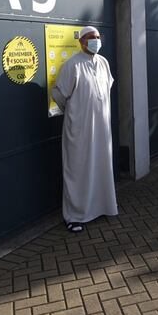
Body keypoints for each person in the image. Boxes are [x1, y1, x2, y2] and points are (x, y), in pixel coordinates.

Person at [52, 26, 117, 233]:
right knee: (77, 170)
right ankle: (74, 216)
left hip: (101, 129)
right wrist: (76, 113)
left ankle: (102, 207)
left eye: (98, 37)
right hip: (79, 130)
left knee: (101, 166)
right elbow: (59, 95)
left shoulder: (104, 63)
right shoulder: (72, 65)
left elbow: (106, 89)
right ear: (81, 41)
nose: (95, 41)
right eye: (91, 38)